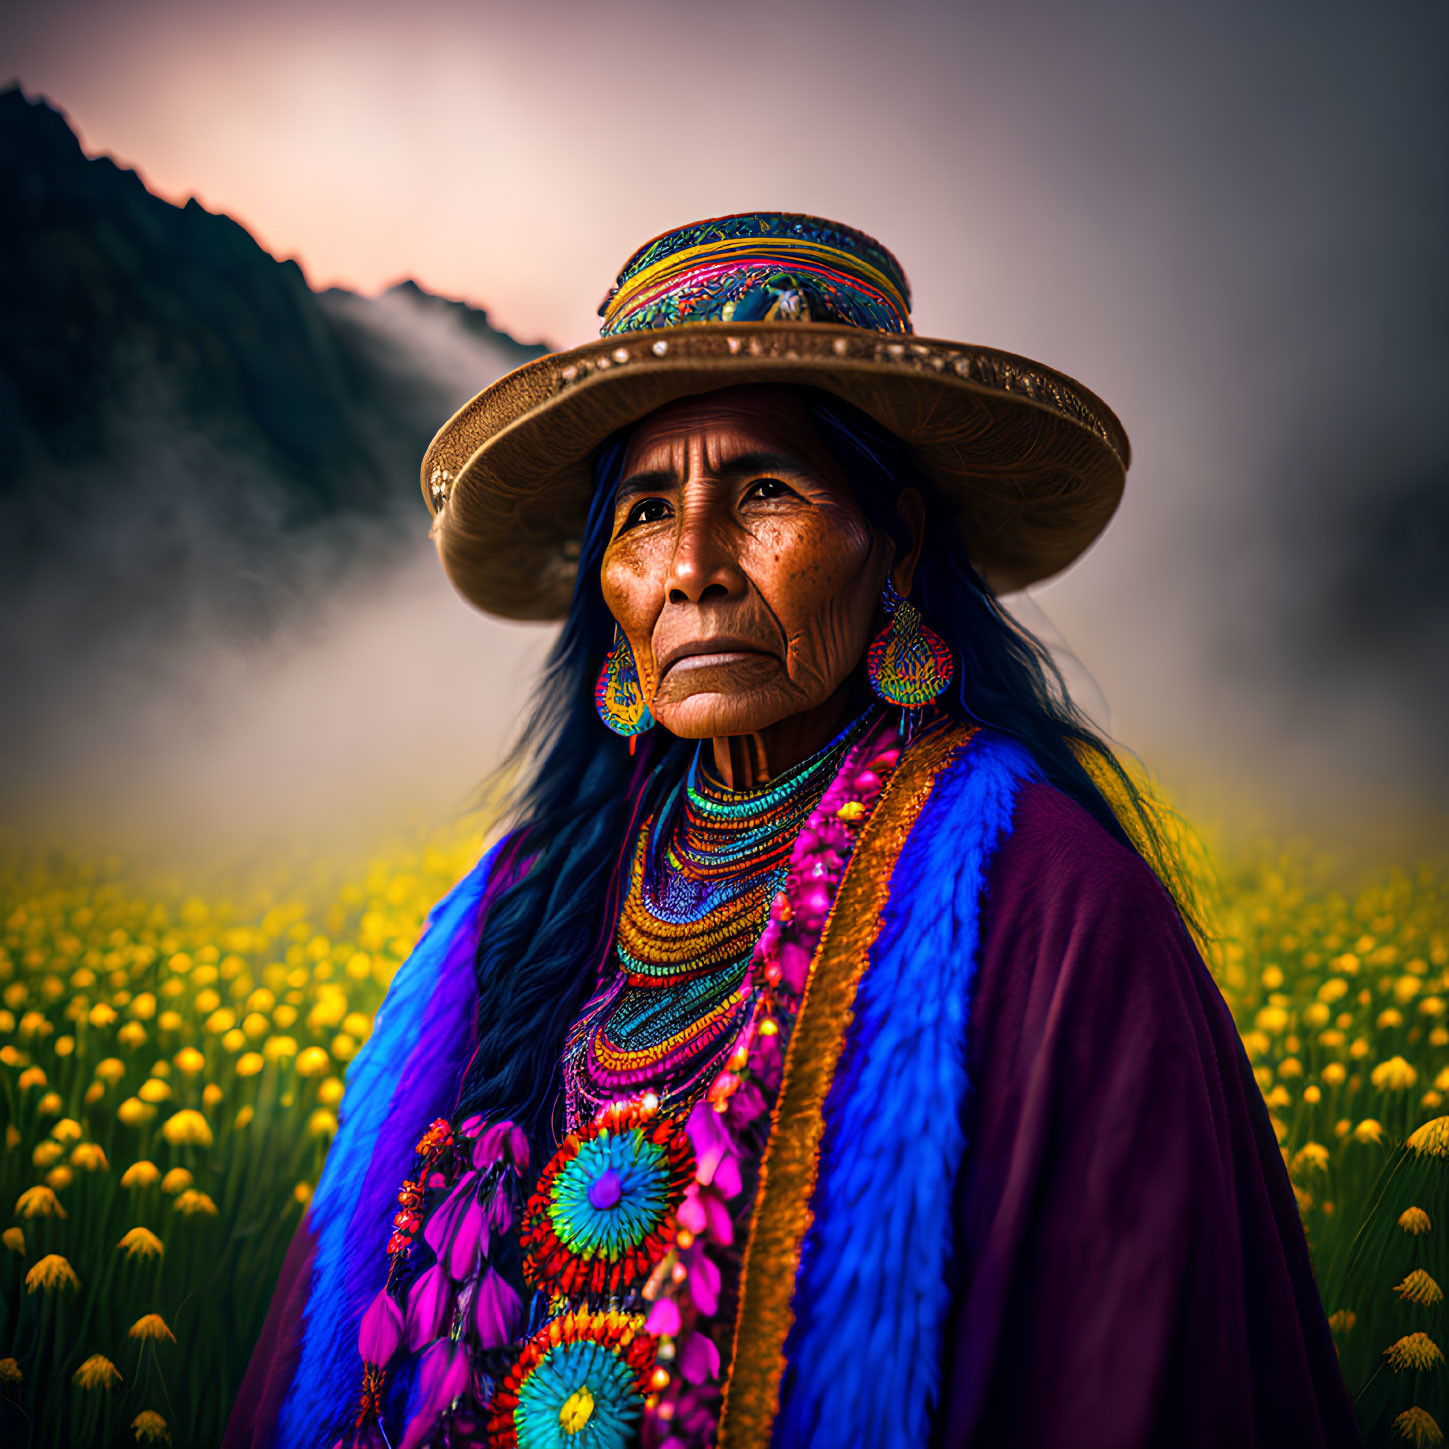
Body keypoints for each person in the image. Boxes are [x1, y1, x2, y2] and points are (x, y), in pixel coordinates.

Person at [225, 213, 1360, 1449]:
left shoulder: (1052, 910)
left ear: (900, 545)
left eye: (764, 491)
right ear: (607, 588)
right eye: (647, 512)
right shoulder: (509, 914)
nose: (692, 567)